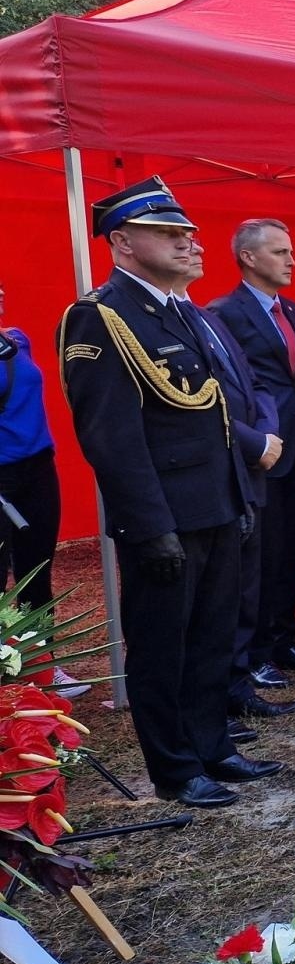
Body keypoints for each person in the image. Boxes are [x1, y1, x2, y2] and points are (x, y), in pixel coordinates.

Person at [59, 176, 277, 808]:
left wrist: (237, 496)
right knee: (162, 645)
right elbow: (111, 437)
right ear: (122, 242)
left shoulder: (182, 310)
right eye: (168, 233)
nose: (188, 243)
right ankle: (176, 768)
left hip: (214, 501)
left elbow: (215, 418)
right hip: (164, 514)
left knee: (211, 636)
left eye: (188, 233)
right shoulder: (100, 317)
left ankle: (214, 746)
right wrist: (148, 525)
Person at [209, 218, 295, 713]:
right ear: (249, 258)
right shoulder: (223, 312)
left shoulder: (290, 308)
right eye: (280, 252)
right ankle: (256, 650)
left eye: (291, 250)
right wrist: (261, 436)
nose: (292, 260)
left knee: (291, 545)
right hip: (262, 446)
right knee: (262, 550)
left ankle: (284, 639)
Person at [0, 281, 84, 698]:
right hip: (1, 477)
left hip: (38, 469)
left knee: (36, 568)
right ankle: (6, 674)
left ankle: (45, 664)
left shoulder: (18, 340)